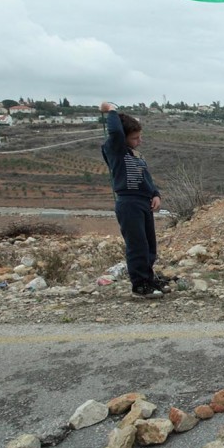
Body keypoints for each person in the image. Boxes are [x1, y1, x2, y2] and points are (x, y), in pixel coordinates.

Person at [99, 101, 165, 300]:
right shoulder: (115, 149)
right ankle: (139, 285)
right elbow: (117, 133)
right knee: (137, 245)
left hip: (143, 202)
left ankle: (149, 279)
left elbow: (146, 177)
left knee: (149, 246)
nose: (140, 141)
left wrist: (155, 194)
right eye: (135, 138)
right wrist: (112, 110)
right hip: (128, 203)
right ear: (124, 137)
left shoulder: (135, 155)